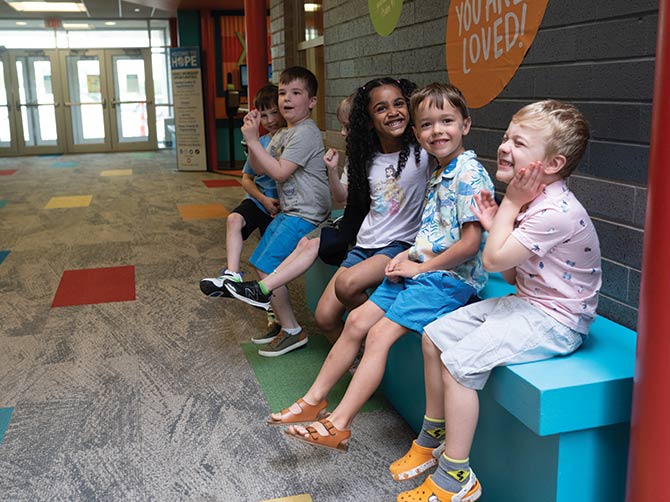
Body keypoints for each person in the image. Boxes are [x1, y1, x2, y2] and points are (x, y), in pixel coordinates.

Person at [396, 100, 602, 502]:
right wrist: (500, 223)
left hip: (557, 321)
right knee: (434, 336)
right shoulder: (535, 203)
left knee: (458, 365)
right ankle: (433, 431)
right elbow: (509, 274)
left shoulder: (553, 211)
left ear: (552, 162)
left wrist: (506, 208)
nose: (505, 146)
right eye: (507, 137)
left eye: (519, 142)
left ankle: (457, 476)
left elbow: (490, 262)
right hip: (528, 302)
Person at [275, 83, 494, 450]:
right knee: (356, 322)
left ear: (466, 124)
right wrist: (409, 257)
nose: (436, 131)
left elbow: (470, 244)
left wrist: (417, 267)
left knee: (375, 334)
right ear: (416, 131)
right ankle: (313, 400)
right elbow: (435, 232)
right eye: (426, 125)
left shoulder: (469, 173)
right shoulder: (441, 169)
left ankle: (339, 424)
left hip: (446, 279)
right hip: (419, 265)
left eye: (446, 121)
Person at [226, 79, 431, 352]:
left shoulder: (423, 153)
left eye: (398, 104)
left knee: (346, 284)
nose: (392, 112)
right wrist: (332, 172)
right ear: (368, 120)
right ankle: (357, 361)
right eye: (381, 108)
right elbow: (346, 200)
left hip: (397, 245)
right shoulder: (365, 158)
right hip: (364, 243)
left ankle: (380, 330)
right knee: (323, 317)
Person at [223, 66, 331, 357]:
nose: (286, 99)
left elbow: (280, 173)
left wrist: (255, 141)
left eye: (296, 93)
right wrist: (252, 138)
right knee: (261, 262)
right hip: (290, 210)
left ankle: (292, 330)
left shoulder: (306, 133)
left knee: (267, 265)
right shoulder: (284, 133)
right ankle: (284, 324)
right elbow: (259, 169)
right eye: (283, 92)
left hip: (305, 213)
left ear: (311, 102)